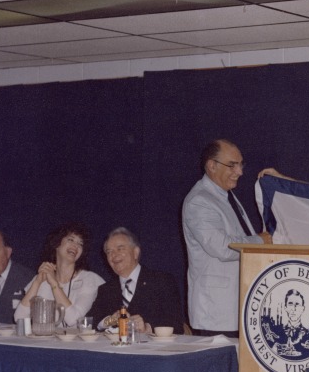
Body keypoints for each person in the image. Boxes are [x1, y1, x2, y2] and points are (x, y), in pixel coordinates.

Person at [182, 139, 271, 337]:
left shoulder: (226, 196)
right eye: (232, 165)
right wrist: (261, 241)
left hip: (235, 310)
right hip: (215, 314)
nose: (239, 172)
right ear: (211, 165)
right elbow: (223, 248)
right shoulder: (199, 201)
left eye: (241, 165)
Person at [89, 227, 186, 334]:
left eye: (120, 249)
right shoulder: (106, 289)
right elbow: (88, 322)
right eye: (109, 251)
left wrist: (147, 328)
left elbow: (176, 325)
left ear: (135, 252)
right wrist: (111, 320)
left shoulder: (162, 281)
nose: (114, 255)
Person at [14, 222, 104, 327]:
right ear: (56, 244)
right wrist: (37, 282)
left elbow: (73, 320)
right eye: (71, 240)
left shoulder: (89, 279)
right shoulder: (43, 279)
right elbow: (19, 318)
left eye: (80, 243)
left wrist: (54, 284)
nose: (76, 245)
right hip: (45, 341)